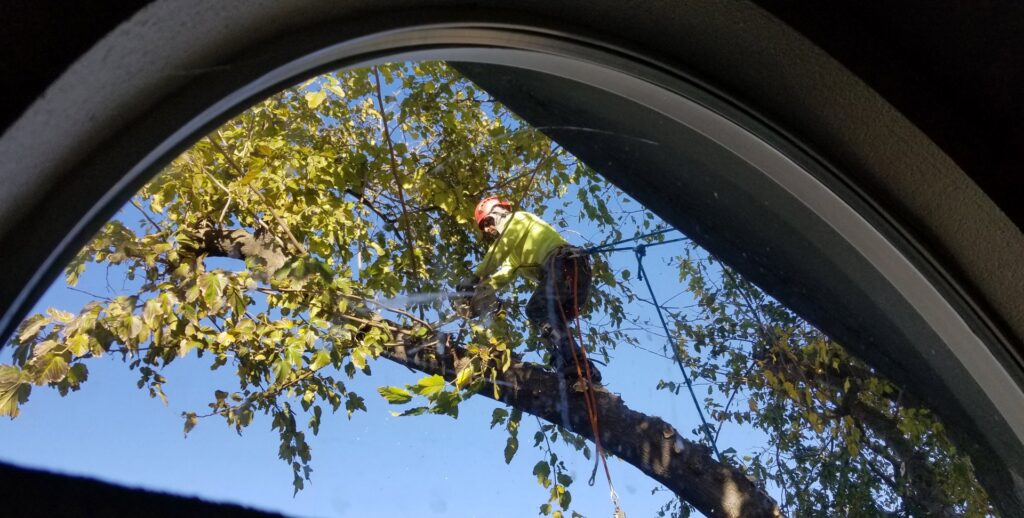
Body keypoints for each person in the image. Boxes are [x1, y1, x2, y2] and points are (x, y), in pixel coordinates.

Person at [459, 196, 601, 383]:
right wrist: (478, 294)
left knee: (536, 309)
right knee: (551, 322)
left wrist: (474, 276)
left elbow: (499, 251)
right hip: (570, 273)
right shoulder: (513, 251)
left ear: (497, 213)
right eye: (484, 226)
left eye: (487, 222)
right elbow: (505, 273)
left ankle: (574, 362)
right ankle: (579, 368)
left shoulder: (518, 220)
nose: (487, 229)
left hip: (565, 264)